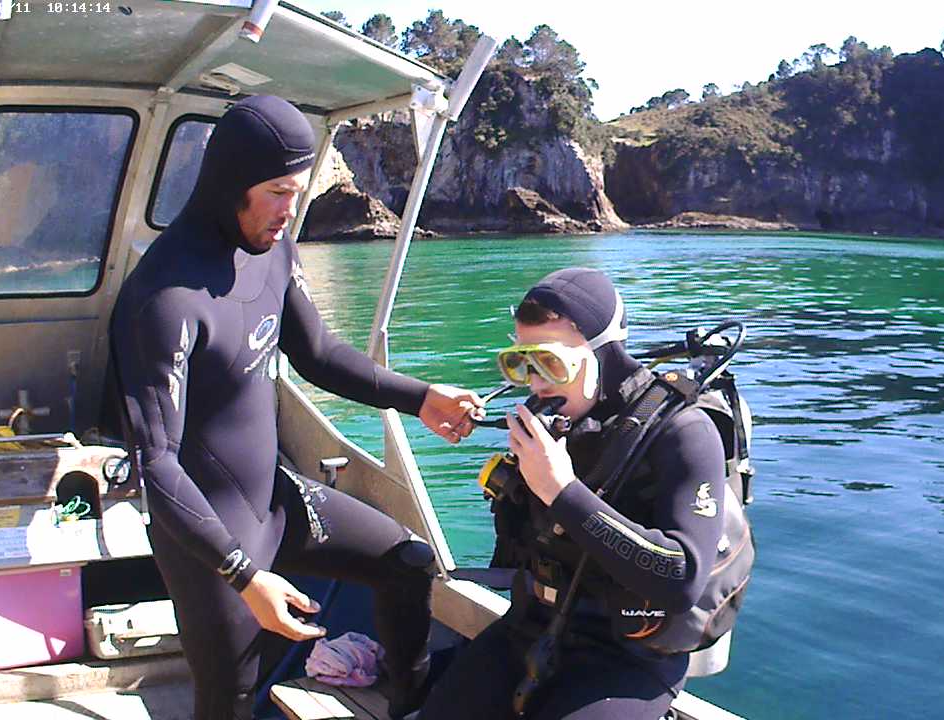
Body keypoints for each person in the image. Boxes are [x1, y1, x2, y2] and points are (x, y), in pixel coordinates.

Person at [110, 95, 480, 720]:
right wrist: (244, 576)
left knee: (408, 564)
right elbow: (159, 463)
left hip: (276, 500)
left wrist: (422, 397)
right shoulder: (164, 298)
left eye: (298, 190)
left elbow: (319, 354)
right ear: (234, 185)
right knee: (229, 700)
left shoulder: (274, 245)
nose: (291, 209)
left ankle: (410, 706)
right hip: (209, 538)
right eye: (279, 192)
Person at [418, 268, 730, 720]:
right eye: (520, 363)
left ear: (600, 354)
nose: (535, 383)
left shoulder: (683, 432)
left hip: (628, 655)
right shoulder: (553, 432)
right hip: (531, 630)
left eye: (550, 363)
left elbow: (681, 579)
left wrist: (562, 491)